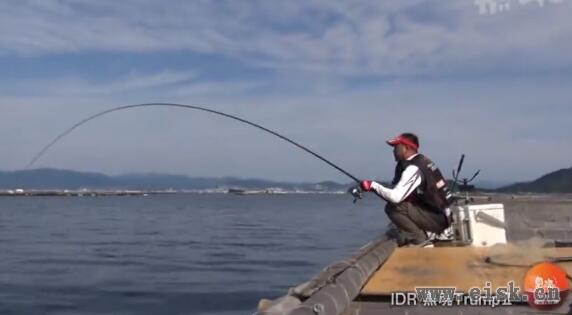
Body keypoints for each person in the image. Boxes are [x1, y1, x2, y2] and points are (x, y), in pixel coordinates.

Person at [360, 132, 453, 247]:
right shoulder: (423, 161)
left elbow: (395, 197)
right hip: (443, 215)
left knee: (393, 207)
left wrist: (373, 185)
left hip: (439, 220)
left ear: (406, 148)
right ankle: (421, 235)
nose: (393, 151)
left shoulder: (413, 168)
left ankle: (420, 240)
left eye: (396, 147)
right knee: (400, 204)